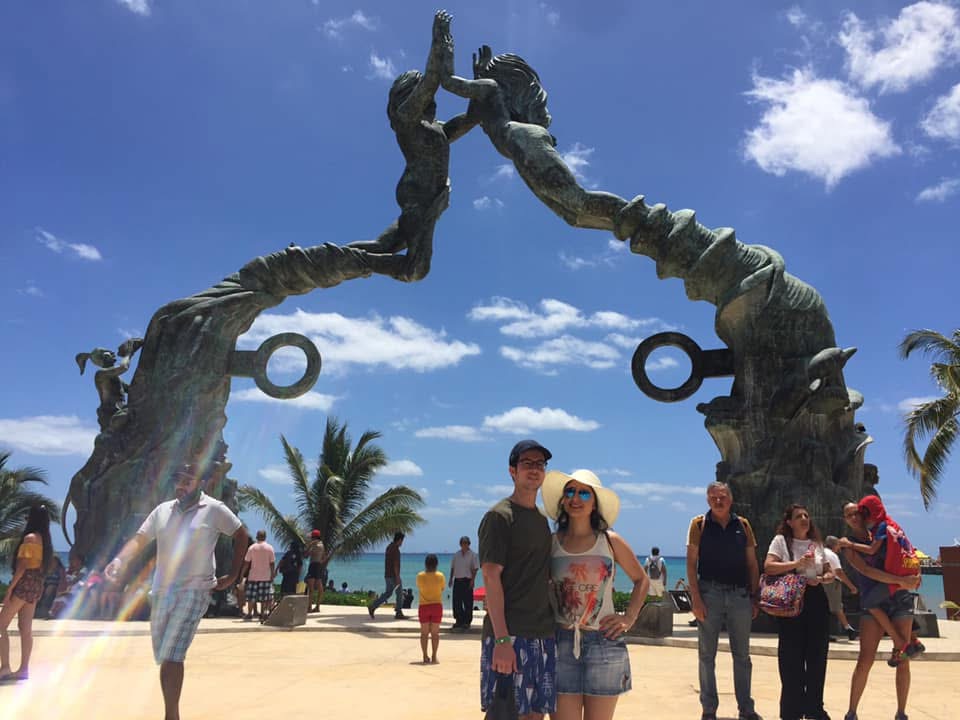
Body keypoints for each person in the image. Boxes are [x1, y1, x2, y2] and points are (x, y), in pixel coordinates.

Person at [103, 464, 248, 720]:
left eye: (188, 480)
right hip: (161, 591)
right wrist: (119, 561)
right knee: (165, 656)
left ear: (200, 482)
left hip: (196, 588)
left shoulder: (213, 509)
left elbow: (241, 534)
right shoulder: (163, 511)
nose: (181, 486)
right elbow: (140, 538)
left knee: (172, 653)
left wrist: (234, 575)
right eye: (177, 481)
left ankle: (171, 716)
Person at [439, 37, 627, 232]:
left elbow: (448, 82)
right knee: (572, 215)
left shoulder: (490, 88)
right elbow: (455, 128)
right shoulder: (483, 106)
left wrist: (443, 45)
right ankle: (636, 231)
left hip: (523, 139)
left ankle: (640, 217)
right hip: (520, 146)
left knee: (576, 199)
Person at [348, 10, 477, 281]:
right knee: (416, 269)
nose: (431, 99)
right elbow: (431, 82)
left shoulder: (437, 130)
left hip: (424, 198)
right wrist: (438, 43)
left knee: (383, 247)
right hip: (417, 198)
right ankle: (351, 262)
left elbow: (471, 118)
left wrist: (480, 87)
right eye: (420, 93)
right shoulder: (406, 120)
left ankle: (327, 257)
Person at [543, 469, 649, 720]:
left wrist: (629, 617)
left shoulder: (610, 541)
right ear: (563, 500)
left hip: (604, 643)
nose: (575, 498)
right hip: (561, 642)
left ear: (595, 503)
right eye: (570, 491)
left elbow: (641, 579)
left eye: (583, 493)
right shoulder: (552, 543)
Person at [478, 439, 556, 720]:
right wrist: (501, 641)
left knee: (535, 715)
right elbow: (490, 575)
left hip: (542, 633)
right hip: (509, 634)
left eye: (540, 464)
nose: (534, 469)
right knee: (506, 714)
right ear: (513, 471)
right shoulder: (499, 517)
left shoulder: (541, 519)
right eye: (527, 464)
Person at [686, 481, 762, 720]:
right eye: (713, 498)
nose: (718, 501)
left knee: (742, 655)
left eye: (723, 497)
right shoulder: (699, 524)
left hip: (740, 594)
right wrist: (696, 598)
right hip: (710, 593)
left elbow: (752, 563)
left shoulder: (743, 525)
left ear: (731, 499)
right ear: (708, 500)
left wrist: (755, 596)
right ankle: (709, 709)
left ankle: (746, 708)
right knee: (707, 655)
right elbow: (691, 563)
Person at [840, 502, 922, 720]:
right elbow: (867, 570)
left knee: (902, 659)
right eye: (849, 515)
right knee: (865, 659)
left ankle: (901, 713)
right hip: (877, 600)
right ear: (845, 520)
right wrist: (901, 581)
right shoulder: (848, 546)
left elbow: (908, 552)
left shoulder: (885, 531)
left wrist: (913, 578)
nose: (854, 517)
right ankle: (852, 712)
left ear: (864, 513)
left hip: (899, 598)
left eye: (856, 512)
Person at [763, 504, 833, 720]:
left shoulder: (816, 544)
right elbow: (768, 567)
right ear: (789, 522)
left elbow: (829, 570)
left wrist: (824, 578)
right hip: (792, 600)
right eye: (798, 516)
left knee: (817, 656)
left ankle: (814, 708)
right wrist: (797, 563)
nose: (804, 519)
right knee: (791, 658)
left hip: (815, 599)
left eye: (806, 515)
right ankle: (791, 711)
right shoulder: (781, 541)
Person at [0, 505, 54, 683]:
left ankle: (5, 667)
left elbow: (22, 566)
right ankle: (23, 669)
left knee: (1, 625)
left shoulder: (30, 538)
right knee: (25, 629)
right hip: (36, 584)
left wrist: (9, 590)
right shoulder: (45, 541)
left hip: (24, 584)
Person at [823, 536, 858, 641]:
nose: (839, 547)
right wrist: (851, 586)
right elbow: (839, 572)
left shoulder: (821, 552)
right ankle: (847, 630)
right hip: (832, 583)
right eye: (838, 544)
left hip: (822, 582)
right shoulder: (832, 555)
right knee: (835, 607)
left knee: (833, 607)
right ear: (834, 545)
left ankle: (848, 629)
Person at [368, 532, 406, 619]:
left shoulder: (389, 547)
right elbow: (395, 564)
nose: (402, 543)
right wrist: (397, 577)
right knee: (399, 593)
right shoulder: (395, 549)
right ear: (399, 540)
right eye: (402, 541)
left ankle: (373, 606)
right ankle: (399, 612)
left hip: (387, 575)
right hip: (393, 575)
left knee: (388, 593)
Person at [417, 553, 445, 664]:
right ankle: (434, 656)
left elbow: (419, 587)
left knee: (424, 633)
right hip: (436, 606)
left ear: (425, 564)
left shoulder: (420, 576)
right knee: (435, 633)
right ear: (436, 564)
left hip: (423, 606)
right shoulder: (440, 576)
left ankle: (424, 656)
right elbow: (442, 588)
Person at [242, 530, 276, 622]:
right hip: (265, 576)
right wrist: (272, 574)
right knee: (264, 596)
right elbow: (272, 563)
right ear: (265, 537)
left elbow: (246, 562)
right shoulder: (270, 548)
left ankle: (249, 614)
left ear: (257, 537)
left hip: (253, 576)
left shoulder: (252, 548)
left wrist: (242, 574)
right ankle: (263, 613)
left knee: (251, 596)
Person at [449, 535, 480, 630]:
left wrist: (472, 580)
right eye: (462, 543)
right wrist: (450, 579)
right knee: (456, 602)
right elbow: (453, 567)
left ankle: (467, 622)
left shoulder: (473, 555)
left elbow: (475, 568)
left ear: (469, 544)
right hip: (457, 580)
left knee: (468, 602)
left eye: (466, 543)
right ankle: (459, 620)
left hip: (467, 580)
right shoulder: (456, 555)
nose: (464, 545)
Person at [36, 554, 66, 619]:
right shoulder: (47, 570)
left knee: (50, 587)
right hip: (46, 585)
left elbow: (62, 580)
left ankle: (44, 607)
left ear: (57, 562)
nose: (53, 563)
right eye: (51, 561)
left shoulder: (59, 570)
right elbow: (43, 579)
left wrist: (59, 589)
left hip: (55, 585)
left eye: (54, 561)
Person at [304, 529, 327, 612]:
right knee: (320, 588)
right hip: (318, 566)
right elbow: (324, 557)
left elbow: (306, 555)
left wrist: (309, 546)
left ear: (313, 537)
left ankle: (309, 607)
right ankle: (317, 606)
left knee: (311, 588)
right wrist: (320, 562)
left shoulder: (314, 545)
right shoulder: (322, 545)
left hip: (313, 565)